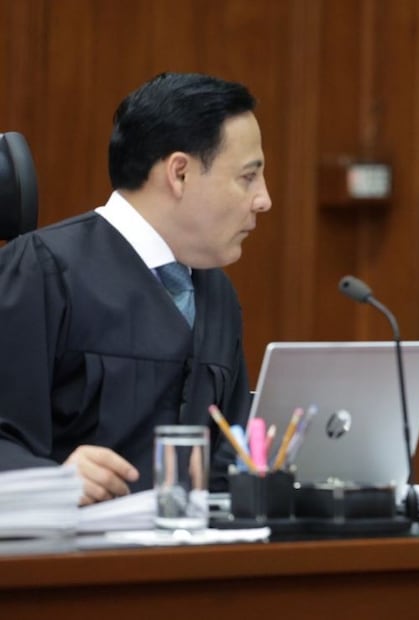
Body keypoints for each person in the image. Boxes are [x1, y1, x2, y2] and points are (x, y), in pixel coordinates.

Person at [0, 72, 271, 505]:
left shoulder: (216, 294)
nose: (263, 199)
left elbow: (227, 458)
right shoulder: (43, 271)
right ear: (179, 173)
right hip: (63, 560)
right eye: (248, 177)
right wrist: (50, 480)